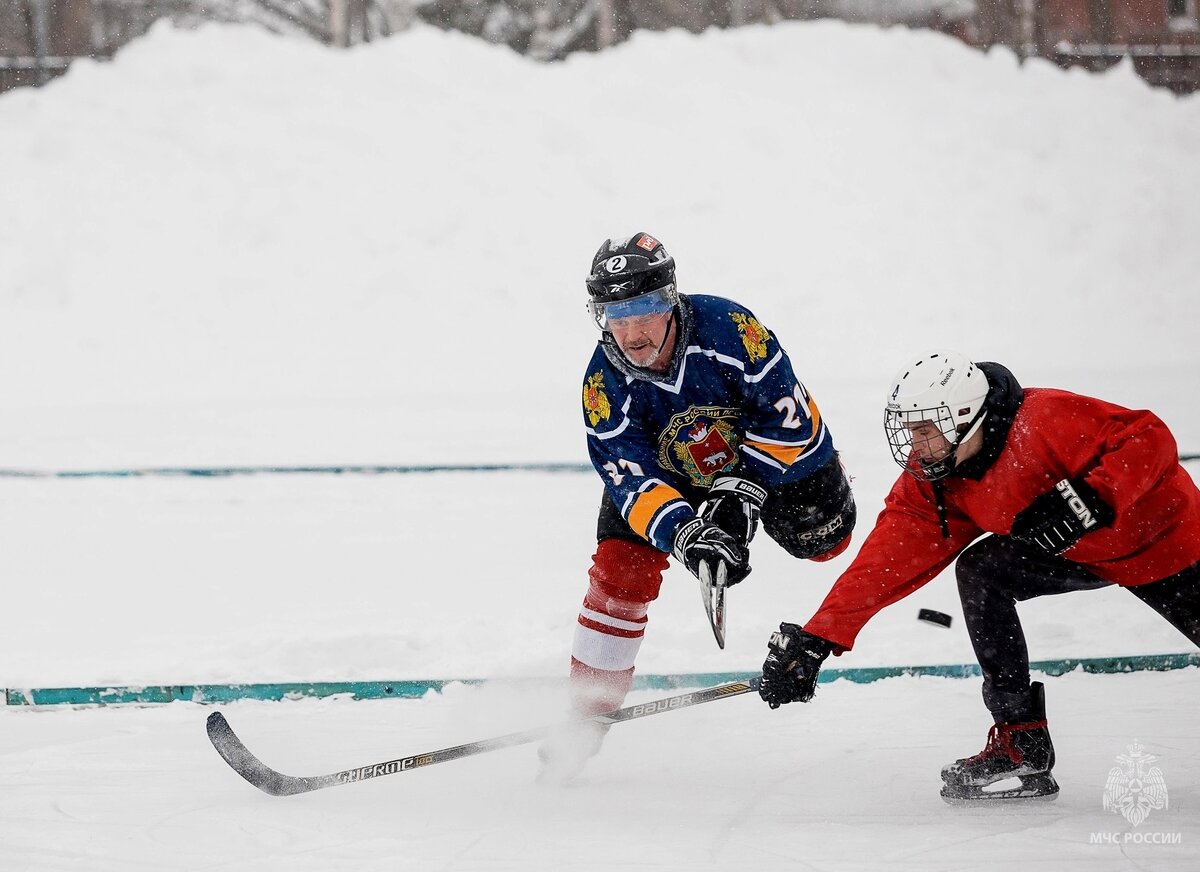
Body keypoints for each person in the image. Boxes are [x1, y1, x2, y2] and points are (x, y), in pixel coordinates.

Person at [757, 350, 1200, 802]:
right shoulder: (938, 480)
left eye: (925, 430)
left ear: (965, 417)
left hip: (1169, 546)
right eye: (910, 430)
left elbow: (1148, 436)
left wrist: (1088, 499)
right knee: (982, 572)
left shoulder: (1045, 419)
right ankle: (1021, 746)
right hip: (1076, 552)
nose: (915, 445)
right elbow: (885, 562)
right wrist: (819, 637)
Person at [537, 232, 857, 782]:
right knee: (619, 568)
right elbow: (631, 482)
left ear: (671, 298)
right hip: (674, 477)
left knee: (826, 542)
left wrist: (739, 496)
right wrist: (686, 531)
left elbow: (789, 422)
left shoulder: (731, 330)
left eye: (645, 309)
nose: (633, 331)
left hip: (762, 456)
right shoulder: (601, 385)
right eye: (616, 313)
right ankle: (586, 714)